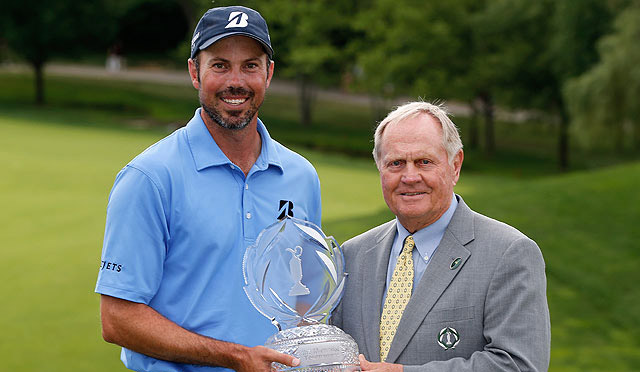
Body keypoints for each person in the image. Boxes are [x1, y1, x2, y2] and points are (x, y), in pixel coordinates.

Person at [95, 6, 322, 372]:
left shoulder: (301, 176)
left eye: (250, 65)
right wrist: (236, 357)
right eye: (219, 65)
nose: (236, 81)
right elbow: (117, 318)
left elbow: (306, 300)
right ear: (194, 72)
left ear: (269, 73)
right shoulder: (150, 177)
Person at [332, 101, 550, 372]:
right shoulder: (352, 255)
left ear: (455, 165)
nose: (410, 177)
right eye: (396, 163)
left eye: (424, 162)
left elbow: (519, 366)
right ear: (380, 169)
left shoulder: (508, 253)